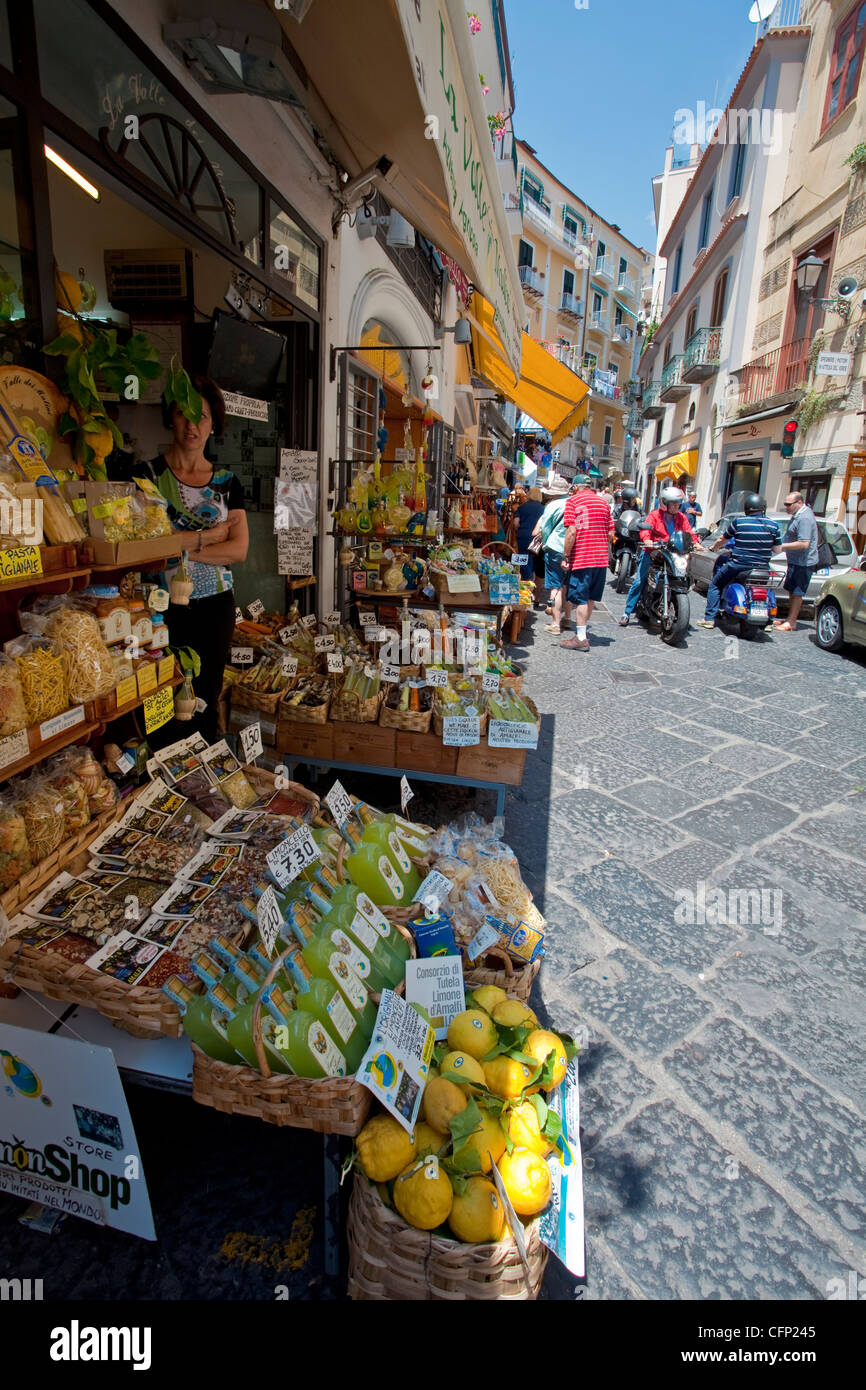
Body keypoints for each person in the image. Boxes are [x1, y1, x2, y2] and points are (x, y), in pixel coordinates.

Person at [145, 375, 249, 740]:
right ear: (170, 417)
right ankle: (160, 780)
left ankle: (205, 780)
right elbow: (148, 547)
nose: (192, 425)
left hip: (215, 607)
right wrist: (210, 536)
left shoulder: (227, 483)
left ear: (213, 424)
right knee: (160, 696)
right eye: (183, 414)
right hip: (158, 608)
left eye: (202, 416)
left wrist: (183, 545)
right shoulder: (147, 477)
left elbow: (238, 550)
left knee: (205, 695)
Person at [696, 493, 780, 629]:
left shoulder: (739, 522)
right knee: (765, 587)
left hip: (739, 565)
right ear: (763, 509)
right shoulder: (773, 525)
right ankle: (768, 622)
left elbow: (722, 540)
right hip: (762, 568)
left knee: (715, 585)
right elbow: (777, 549)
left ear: (747, 509)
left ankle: (709, 619)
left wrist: (712, 548)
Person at [620, 486, 700, 626]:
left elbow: (688, 532)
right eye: (673, 503)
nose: (676, 506)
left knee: (684, 576)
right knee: (639, 580)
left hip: (673, 553)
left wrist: (696, 543)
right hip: (654, 552)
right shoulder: (655, 515)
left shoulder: (681, 517)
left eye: (678, 503)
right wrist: (647, 540)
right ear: (664, 503)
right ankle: (626, 613)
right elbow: (646, 529)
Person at [560, 478, 615, 652]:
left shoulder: (573, 501)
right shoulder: (603, 503)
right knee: (590, 596)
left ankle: (581, 638)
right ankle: (582, 632)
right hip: (600, 559)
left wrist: (566, 555)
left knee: (580, 597)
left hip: (583, 557)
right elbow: (610, 532)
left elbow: (571, 532)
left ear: (576, 487)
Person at [533, 481, 578, 634]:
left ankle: (556, 623)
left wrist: (545, 543)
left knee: (555, 586)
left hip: (555, 548)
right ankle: (568, 618)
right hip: (573, 550)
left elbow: (545, 528)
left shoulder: (552, 505)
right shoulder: (576, 504)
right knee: (567, 585)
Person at [774, 491, 820, 632]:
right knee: (792, 590)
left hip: (803, 562)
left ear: (799, 503)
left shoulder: (804, 518)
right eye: (785, 504)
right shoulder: (798, 515)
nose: (786, 507)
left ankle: (792, 622)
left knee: (797, 592)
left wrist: (782, 547)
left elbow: (804, 543)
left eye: (788, 504)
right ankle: (789, 619)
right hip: (796, 560)